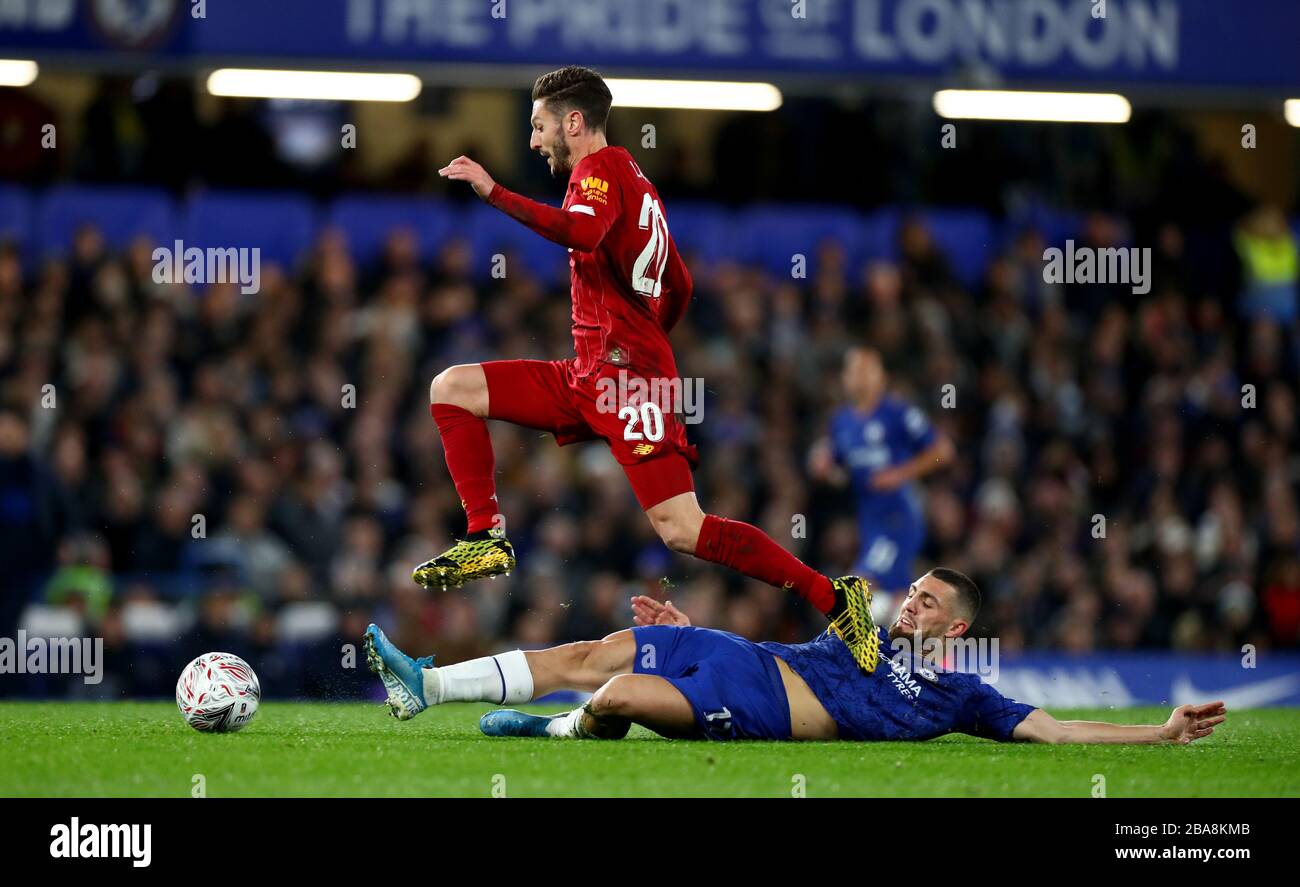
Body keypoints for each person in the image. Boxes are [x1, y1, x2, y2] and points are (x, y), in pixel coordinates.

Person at [424, 65, 872, 667]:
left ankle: (834, 596)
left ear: (573, 122)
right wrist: (645, 334)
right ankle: (485, 537)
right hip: (592, 372)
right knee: (453, 388)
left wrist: (493, 192)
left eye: (538, 126)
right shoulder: (635, 179)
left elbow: (582, 233)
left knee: (682, 529)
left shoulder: (600, 170)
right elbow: (679, 282)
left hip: (627, 383)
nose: (533, 141)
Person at [364, 567, 1227, 745]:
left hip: (766, 711)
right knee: (594, 649)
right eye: (915, 589)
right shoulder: (867, 629)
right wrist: (691, 621)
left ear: (956, 628)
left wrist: (1158, 734)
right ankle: (425, 685)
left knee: (622, 696)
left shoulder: (963, 696)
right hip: (736, 649)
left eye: (931, 600)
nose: (914, 601)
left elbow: (1054, 728)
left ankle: (557, 732)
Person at [810, 347, 953, 614]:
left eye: (866, 370)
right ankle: (927, 650)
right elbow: (840, 475)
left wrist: (900, 473)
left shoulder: (898, 413)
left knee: (857, 592)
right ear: (845, 378)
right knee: (895, 599)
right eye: (853, 370)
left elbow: (943, 452)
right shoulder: (841, 423)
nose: (860, 377)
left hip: (898, 517)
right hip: (870, 522)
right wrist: (823, 468)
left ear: (881, 377)